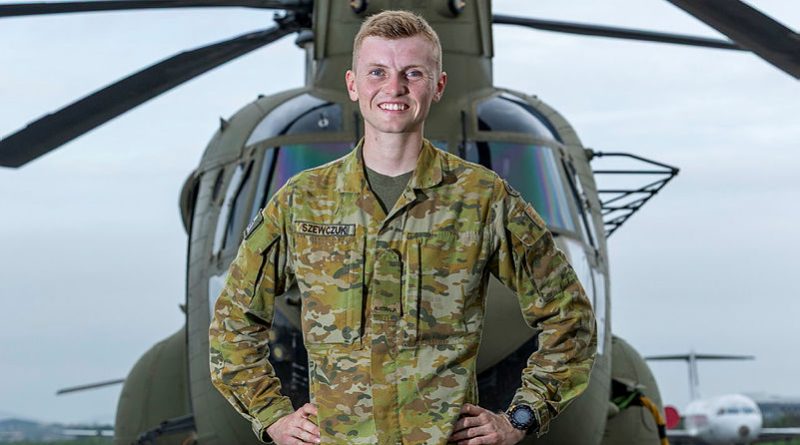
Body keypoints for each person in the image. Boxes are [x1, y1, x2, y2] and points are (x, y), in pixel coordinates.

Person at [209, 10, 596, 445]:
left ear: (438, 85)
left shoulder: (483, 198)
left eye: (412, 73)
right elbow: (231, 323)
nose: (393, 88)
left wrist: (521, 418)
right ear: (354, 84)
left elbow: (572, 319)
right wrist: (272, 417)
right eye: (377, 72)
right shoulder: (302, 201)